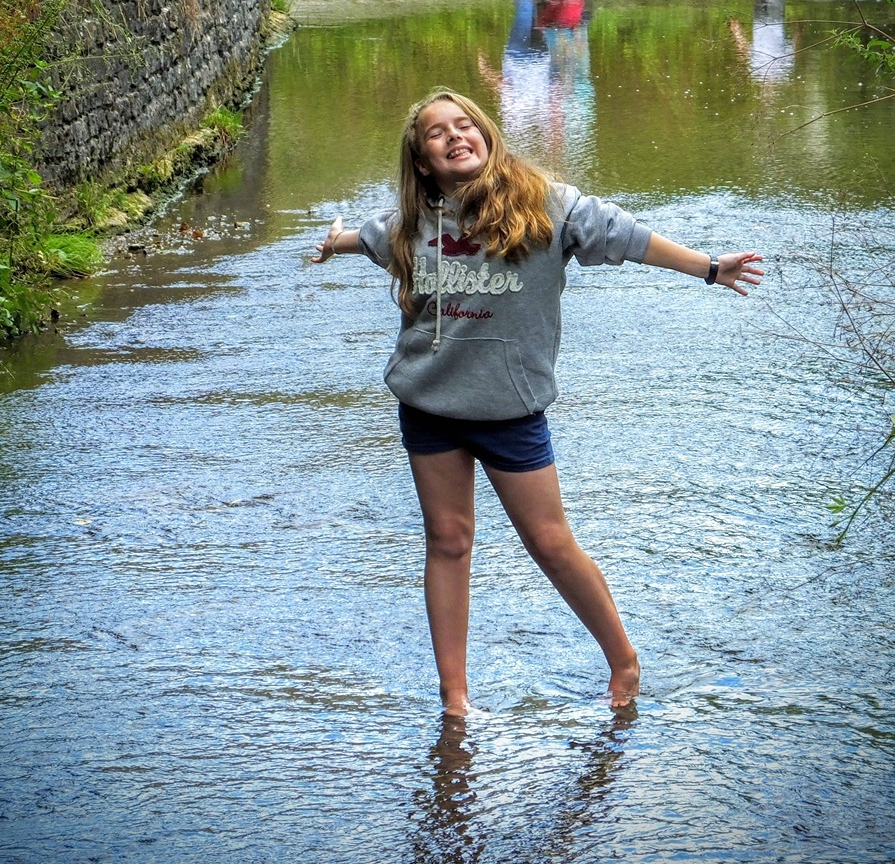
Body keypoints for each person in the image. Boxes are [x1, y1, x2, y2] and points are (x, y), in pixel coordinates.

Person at [311, 88, 763, 716]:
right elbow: (366, 237)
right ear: (421, 161)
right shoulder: (411, 224)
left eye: (466, 124)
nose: (455, 136)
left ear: (488, 135)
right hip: (429, 405)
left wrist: (710, 268)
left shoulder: (547, 205)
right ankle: (455, 699)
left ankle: (623, 657)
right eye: (438, 133)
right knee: (447, 542)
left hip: (510, 410)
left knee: (550, 542)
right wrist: (334, 241)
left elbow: (628, 238)